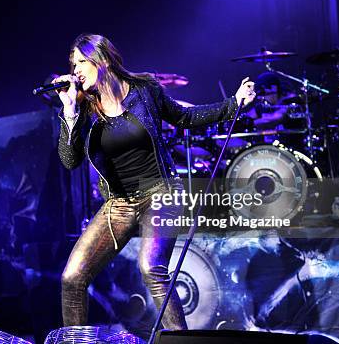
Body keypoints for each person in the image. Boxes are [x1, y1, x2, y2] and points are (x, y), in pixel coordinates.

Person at [53, 33, 255, 330]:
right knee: (72, 278)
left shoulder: (144, 90)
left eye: (82, 61)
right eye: (73, 64)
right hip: (118, 204)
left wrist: (233, 104)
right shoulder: (83, 108)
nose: (76, 70)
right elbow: (70, 161)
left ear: (104, 60)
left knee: (151, 268)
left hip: (161, 192)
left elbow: (184, 117)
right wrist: (69, 113)